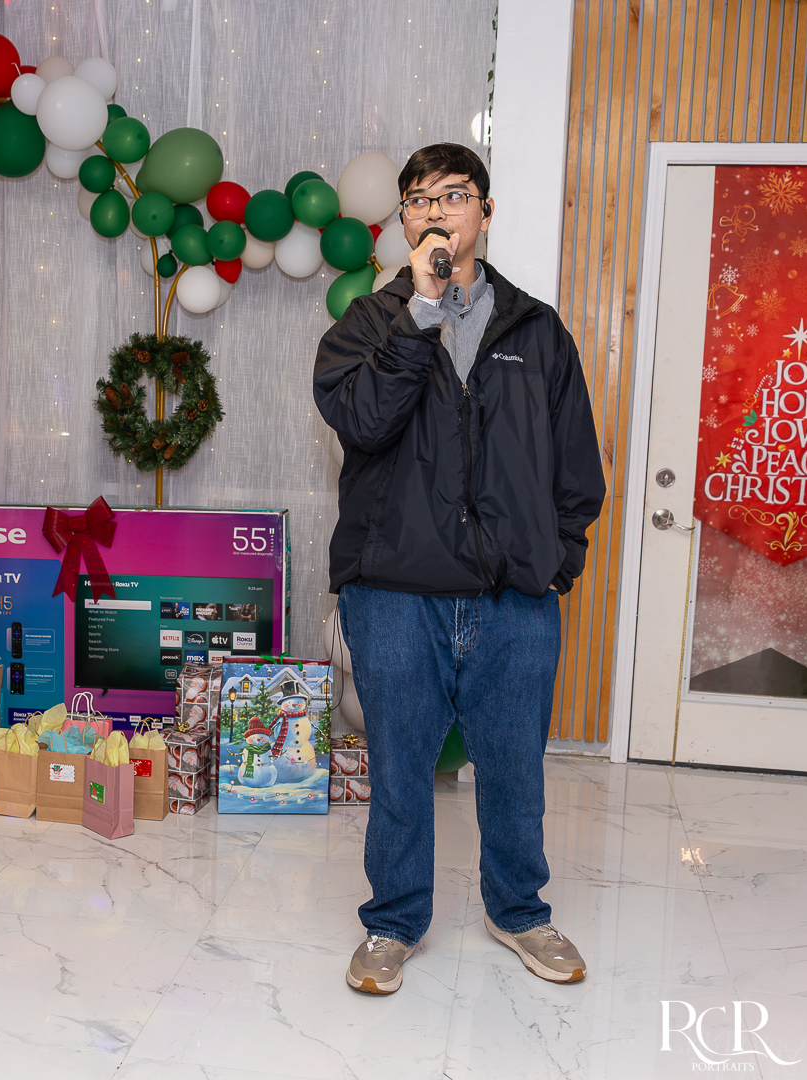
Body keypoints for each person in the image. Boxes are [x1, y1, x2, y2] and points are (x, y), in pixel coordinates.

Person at [314, 144, 606, 995]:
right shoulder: (368, 326)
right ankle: (394, 923)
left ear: (484, 211)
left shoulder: (536, 330)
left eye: (453, 194)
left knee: (514, 769)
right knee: (400, 770)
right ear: (404, 223)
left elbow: (576, 463)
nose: (436, 210)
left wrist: (556, 559)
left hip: (513, 596)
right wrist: (418, 315)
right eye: (418, 199)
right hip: (394, 591)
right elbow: (365, 423)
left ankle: (519, 912)